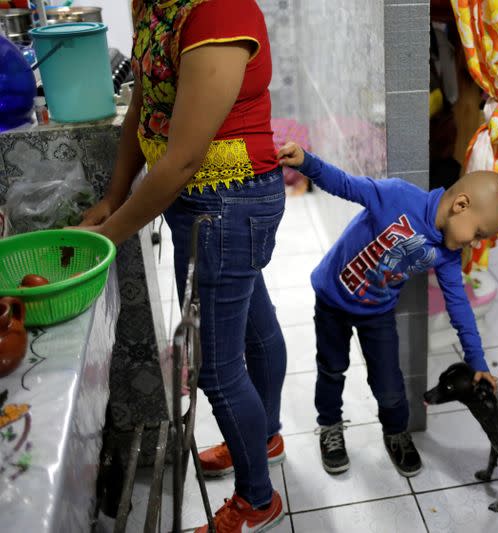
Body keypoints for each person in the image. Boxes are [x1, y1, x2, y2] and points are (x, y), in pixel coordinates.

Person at [79, 0, 287, 531]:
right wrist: (114, 195)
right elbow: (144, 105)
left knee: (217, 370)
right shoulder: (157, 5)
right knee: (256, 327)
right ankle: (262, 437)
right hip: (207, 203)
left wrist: (109, 237)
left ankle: (257, 500)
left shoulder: (218, 12)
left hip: (226, 203)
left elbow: (184, 158)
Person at [277, 141, 498, 477]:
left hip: (377, 313)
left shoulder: (447, 254)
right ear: (461, 204)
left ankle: (395, 432)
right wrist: (306, 163)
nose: (475, 243)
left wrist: (477, 362)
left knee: (389, 383)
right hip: (332, 300)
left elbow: (459, 307)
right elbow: (344, 184)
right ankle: (330, 426)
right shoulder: (398, 196)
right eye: (478, 233)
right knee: (331, 368)